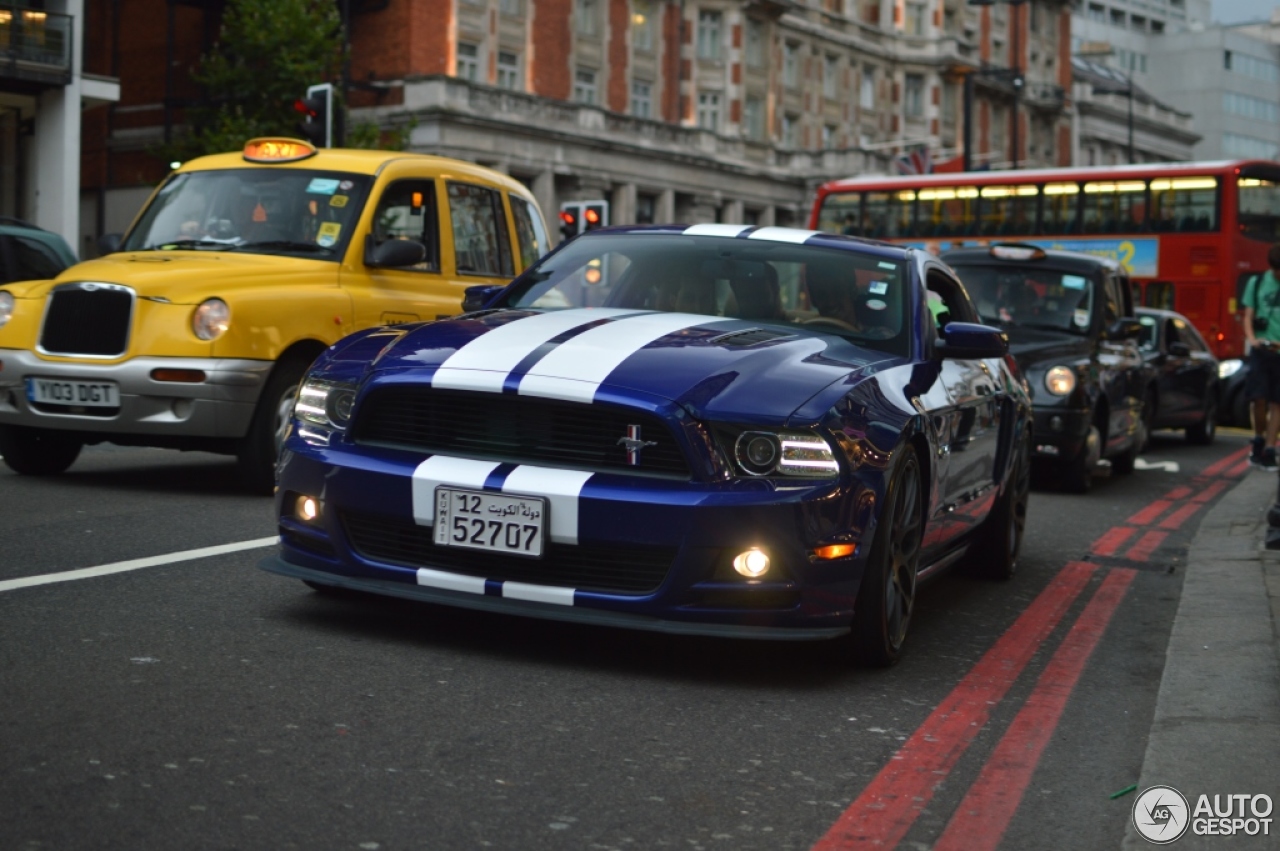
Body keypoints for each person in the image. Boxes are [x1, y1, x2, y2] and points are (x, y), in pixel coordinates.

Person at [1242, 243, 1280, 470]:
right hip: (1261, 350)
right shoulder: (1256, 284)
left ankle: (1269, 448)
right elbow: (1248, 316)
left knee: (1277, 403)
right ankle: (1258, 437)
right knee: (1258, 399)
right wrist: (1252, 338)